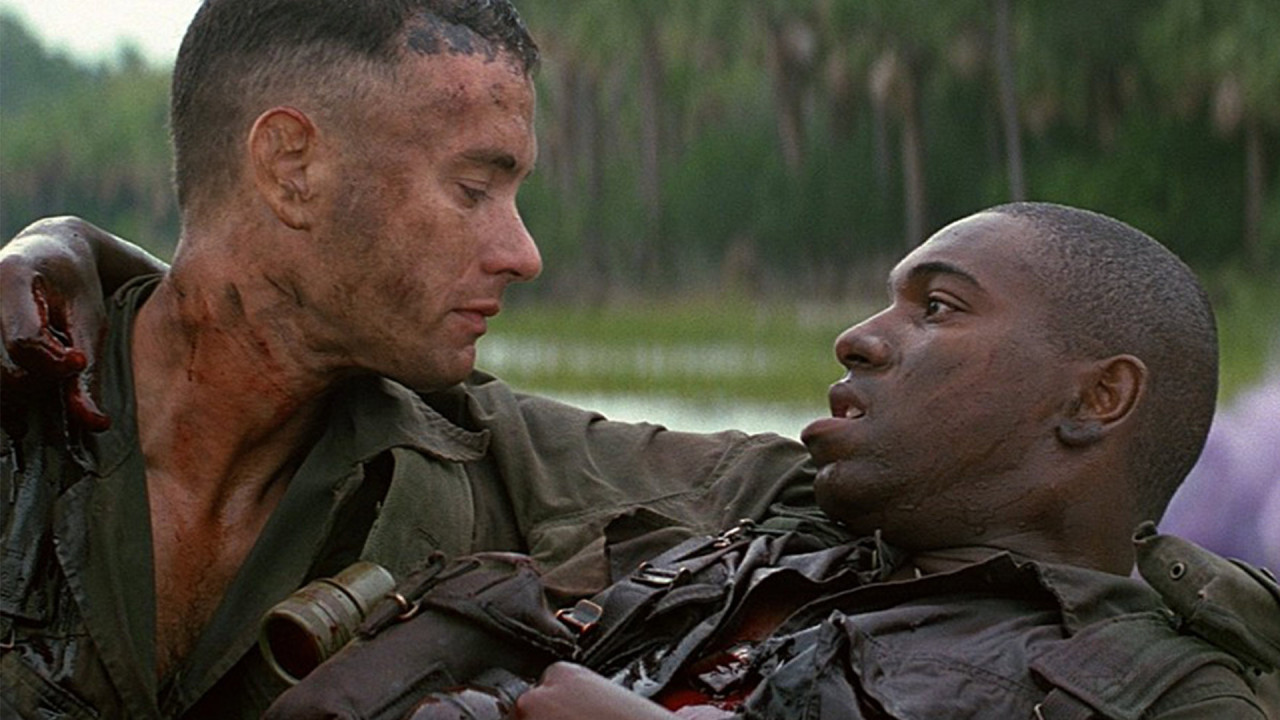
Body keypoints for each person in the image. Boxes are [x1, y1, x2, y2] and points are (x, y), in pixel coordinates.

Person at [0, 2, 814, 718]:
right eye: (473, 189)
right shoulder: (20, 417)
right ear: (291, 167)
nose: (523, 254)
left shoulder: (483, 459)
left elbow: (827, 492)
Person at [267, 202, 1268, 719]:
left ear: (1095, 399)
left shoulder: (1165, 693)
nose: (858, 338)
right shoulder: (755, 524)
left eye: (937, 308)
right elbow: (476, 424)